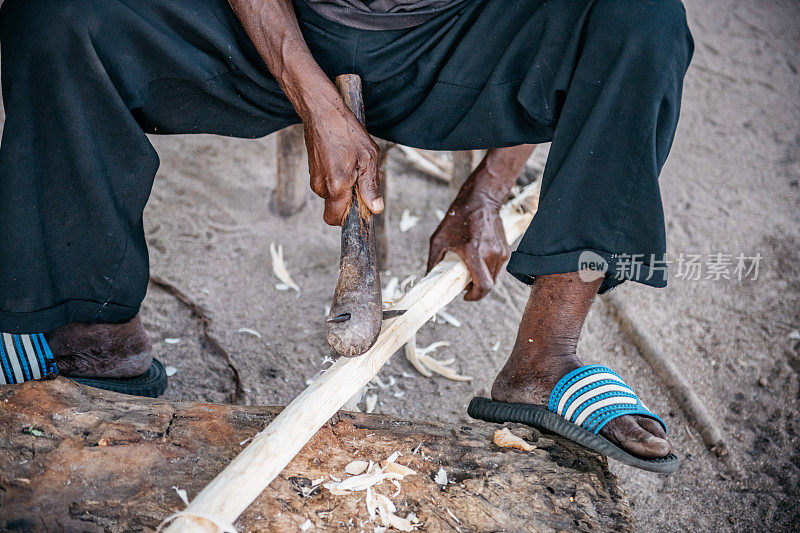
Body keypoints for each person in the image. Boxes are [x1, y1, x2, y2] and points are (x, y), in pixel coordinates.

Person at [0, 0, 692, 471]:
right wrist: (314, 98)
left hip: (459, 44)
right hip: (268, 32)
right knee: (58, 15)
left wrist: (488, 188)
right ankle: (91, 335)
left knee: (643, 19)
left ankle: (546, 359)